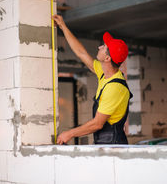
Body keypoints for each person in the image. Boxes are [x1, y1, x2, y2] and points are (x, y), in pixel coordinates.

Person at [53, 15, 132, 145]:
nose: (99, 47)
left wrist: (69, 134)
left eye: (104, 47)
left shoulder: (115, 88)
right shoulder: (104, 74)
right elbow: (81, 53)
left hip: (114, 147)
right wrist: (63, 26)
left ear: (107, 59)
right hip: (106, 144)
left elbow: (97, 124)